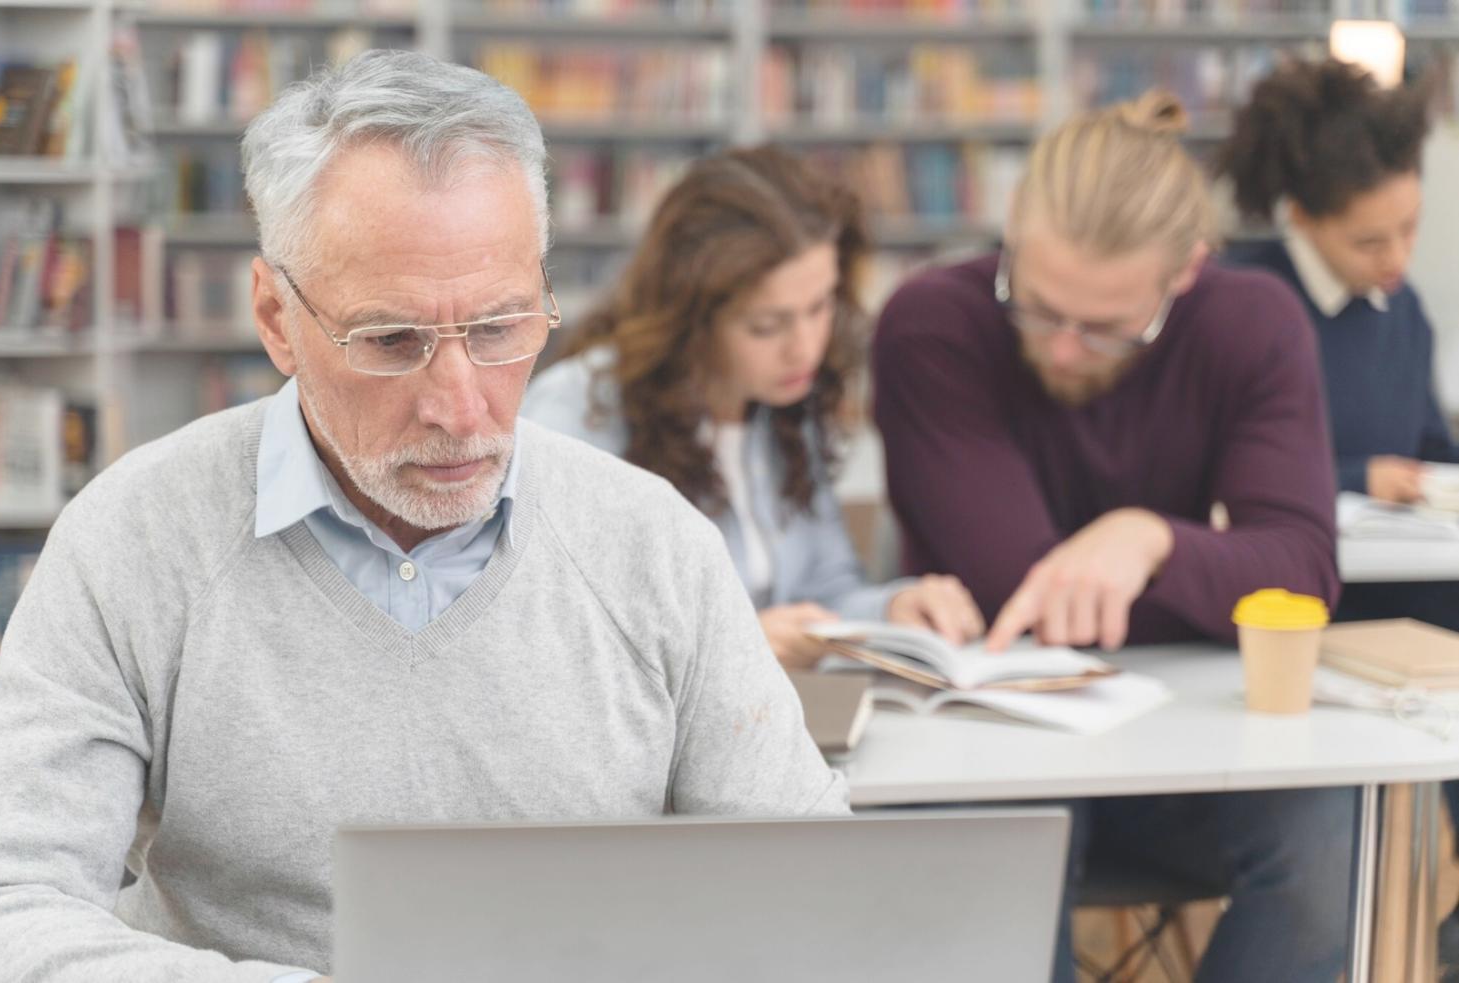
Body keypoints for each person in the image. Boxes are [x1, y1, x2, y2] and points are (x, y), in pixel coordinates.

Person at [0, 51, 847, 982]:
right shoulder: (134, 538)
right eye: (391, 340)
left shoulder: (653, 544)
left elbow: (807, 890)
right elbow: (10, 900)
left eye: (500, 329)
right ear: (277, 317)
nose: (460, 405)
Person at [873, 91, 1354, 982]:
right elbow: (1025, 595)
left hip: (1196, 735)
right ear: (1010, 237)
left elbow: (1303, 575)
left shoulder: (1252, 323)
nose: (1060, 349)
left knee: (1330, 834)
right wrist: (1217, 578)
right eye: (1036, 304)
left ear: (1185, 274)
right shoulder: (931, 323)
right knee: (1002, 846)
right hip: (995, 733)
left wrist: (1151, 542)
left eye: (1104, 328)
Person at [523, 145, 982, 668]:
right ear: (692, 317)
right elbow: (545, 633)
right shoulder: (576, 412)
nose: (805, 347)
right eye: (766, 325)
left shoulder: (783, 403)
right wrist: (729, 652)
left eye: (820, 306)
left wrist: (893, 608)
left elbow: (823, 593)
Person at [1219, 57, 1459, 630]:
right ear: (1302, 217)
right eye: (1369, 242)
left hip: (1409, 600)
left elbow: (1430, 450)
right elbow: (1214, 479)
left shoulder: (1401, 310)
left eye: (1410, 227)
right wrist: (1355, 477)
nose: (1399, 259)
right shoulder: (1243, 305)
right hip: (1293, 609)